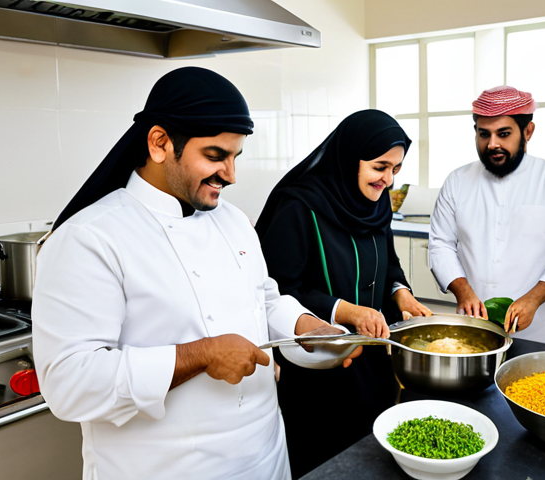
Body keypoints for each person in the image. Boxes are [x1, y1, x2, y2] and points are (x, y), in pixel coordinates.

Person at [31, 67, 350, 480]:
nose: (231, 175)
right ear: (160, 143)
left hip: (266, 459)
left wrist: (305, 325)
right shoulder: (89, 238)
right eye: (216, 156)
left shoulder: (234, 221)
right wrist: (199, 356)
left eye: (235, 157)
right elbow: (70, 384)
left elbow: (264, 298)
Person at [255, 109, 432, 478]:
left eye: (395, 169)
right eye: (380, 167)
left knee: (372, 456)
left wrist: (400, 293)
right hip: (318, 368)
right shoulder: (298, 208)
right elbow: (279, 291)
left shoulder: (377, 203)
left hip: (370, 363)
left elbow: (390, 265)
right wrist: (346, 311)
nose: (387, 179)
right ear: (352, 157)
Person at [428, 86, 545, 348]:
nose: (492, 143)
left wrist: (533, 298)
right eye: (484, 134)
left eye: (503, 134)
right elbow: (440, 244)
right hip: (478, 327)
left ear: (528, 132)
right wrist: (463, 292)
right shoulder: (457, 182)